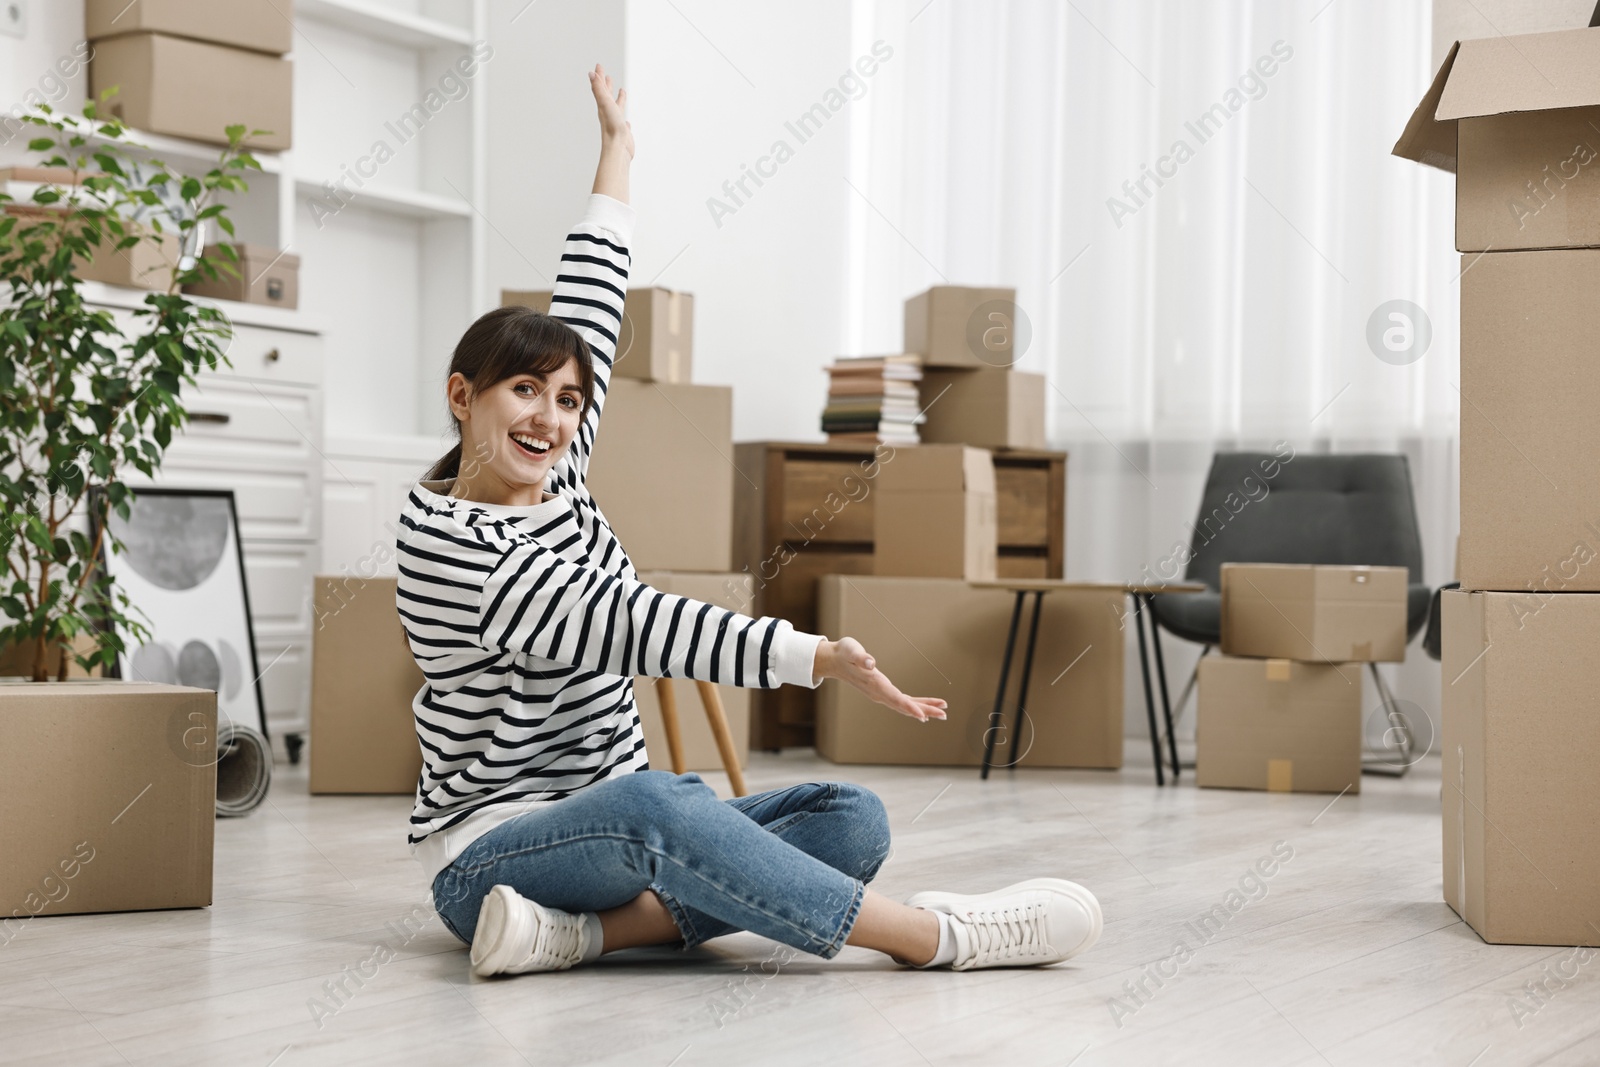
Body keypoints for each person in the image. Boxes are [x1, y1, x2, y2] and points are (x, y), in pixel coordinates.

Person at [397, 64, 1102, 977]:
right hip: (492, 857)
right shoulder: (458, 552)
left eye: (568, 399)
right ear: (464, 397)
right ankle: (936, 937)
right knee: (660, 805)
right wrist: (814, 654)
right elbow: (633, 623)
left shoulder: (557, 468)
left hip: (616, 834)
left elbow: (592, 304)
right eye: (523, 391)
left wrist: (617, 150)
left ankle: (583, 936)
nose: (551, 416)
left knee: (848, 818)